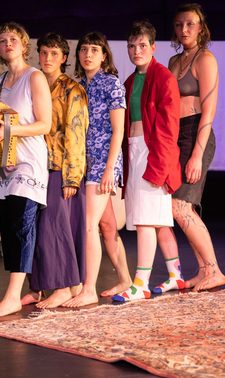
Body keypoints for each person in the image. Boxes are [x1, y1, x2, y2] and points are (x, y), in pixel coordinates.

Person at [154, 4, 225, 293]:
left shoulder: (205, 58)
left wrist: (197, 154)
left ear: (201, 28)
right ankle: (203, 270)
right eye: (179, 24)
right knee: (185, 207)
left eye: (190, 24)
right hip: (175, 136)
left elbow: (209, 110)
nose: (184, 30)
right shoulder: (174, 61)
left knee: (179, 206)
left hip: (197, 133)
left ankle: (215, 270)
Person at [0, 22, 52, 317]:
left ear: (24, 46)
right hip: (6, 165)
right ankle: (28, 290)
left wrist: (8, 130)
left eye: (13, 39)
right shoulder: (1, 81)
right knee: (10, 229)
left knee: (23, 227)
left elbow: (45, 124)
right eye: (2, 40)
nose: (8, 44)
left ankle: (12, 297)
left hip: (29, 163)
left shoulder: (34, 77)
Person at [112, 20, 181, 302]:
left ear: (153, 47)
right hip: (134, 150)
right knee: (158, 220)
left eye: (142, 45)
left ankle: (140, 284)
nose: (136, 50)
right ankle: (175, 275)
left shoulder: (164, 78)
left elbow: (168, 129)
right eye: (132, 46)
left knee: (145, 220)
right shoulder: (129, 82)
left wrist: (158, 167)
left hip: (153, 153)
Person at [18, 33, 89, 308]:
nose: (48, 58)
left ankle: (63, 287)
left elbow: (76, 135)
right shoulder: (33, 83)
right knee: (33, 228)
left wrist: (72, 176)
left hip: (60, 168)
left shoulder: (72, 90)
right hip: (34, 164)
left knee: (54, 229)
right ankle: (37, 288)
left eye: (54, 54)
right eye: (44, 53)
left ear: (64, 58)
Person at [61, 32, 131, 307]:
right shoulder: (77, 86)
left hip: (103, 161)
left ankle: (88, 288)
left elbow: (118, 131)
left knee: (89, 224)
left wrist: (109, 169)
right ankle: (125, 279)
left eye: (94, 50)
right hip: (83, 161)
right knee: (106, 224)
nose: (88, 54)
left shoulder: (111, 84)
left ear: (104, 55)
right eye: (83, 49)